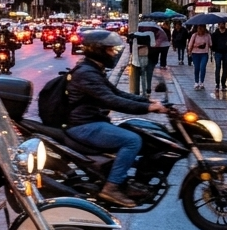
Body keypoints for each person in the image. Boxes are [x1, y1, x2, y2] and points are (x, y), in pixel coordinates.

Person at [65, 30, 168, 207]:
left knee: (140, 132)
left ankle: (128, 180)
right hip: (84, 125)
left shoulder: (93, 69)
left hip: (93, 121)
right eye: (110, 50)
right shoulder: (86, 73)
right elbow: (112, 100)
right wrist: (147, 108)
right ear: (98, 50)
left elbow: (117, 93)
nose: (113, 53)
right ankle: (111, 187)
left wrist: (147, 101)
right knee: (132, 140)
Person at [211, 22, 227, 92]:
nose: (222, 25)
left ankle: (223, 84)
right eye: (220, 24)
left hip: (226, 53)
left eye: (223, 24)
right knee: (218, 68)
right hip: (218, 52)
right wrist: (213, 50)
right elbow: (212, 43)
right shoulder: (215, 34)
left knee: (225, 69)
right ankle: (217, 84)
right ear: (219, 25)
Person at [188, 24, 212, 90]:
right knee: (197, 68)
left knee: (202, 67)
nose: (200, 29)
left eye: (202, 28)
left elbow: (210, 44)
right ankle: (196, 82)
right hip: (195, 54)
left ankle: (202, 82)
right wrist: (195, 47)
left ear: (204, 28)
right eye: (199, 28)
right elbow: (190, 45)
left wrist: (207, 45)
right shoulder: (194, 35)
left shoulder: (207, 35)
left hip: (204, 54)